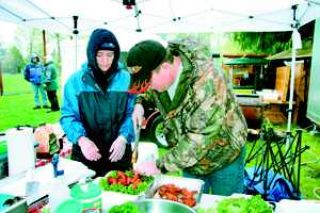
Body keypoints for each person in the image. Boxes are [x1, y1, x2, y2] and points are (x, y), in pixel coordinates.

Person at [127, 39, 248, 195]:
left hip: (224, 158)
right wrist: (140, 104)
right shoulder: (162, 74)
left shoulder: (207, 82)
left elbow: (198, 139)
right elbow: (148, 92)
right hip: (190, 162)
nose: (148, 87)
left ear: (164, 67)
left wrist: (159, 165)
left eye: (148, 82)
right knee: (191, 205)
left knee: (226, 207)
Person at [60, 28, 135, 177]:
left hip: (118, 154)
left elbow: (132, 113)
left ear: (116, 55)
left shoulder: (127, 80)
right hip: (85, 155)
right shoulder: (75, 82)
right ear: (91, 54)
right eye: (99, 55)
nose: (105, 61)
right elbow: (67, 116)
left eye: (110, 55)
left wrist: (123, 137)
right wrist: (81, 140)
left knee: (120, 198)